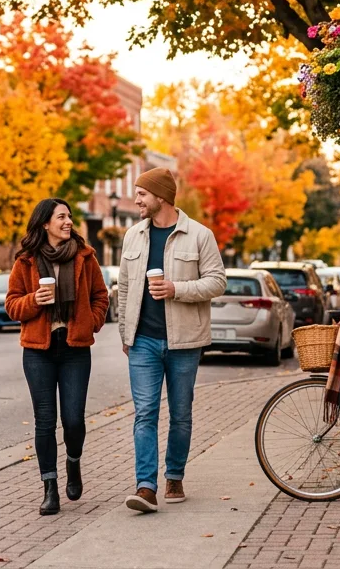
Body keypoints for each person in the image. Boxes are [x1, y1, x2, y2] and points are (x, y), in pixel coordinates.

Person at [116, 168, 226, 514]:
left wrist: (176, 289)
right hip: (143, 341)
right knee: (144, 413)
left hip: (184, 342)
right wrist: (125, 333)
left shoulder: (199, 235)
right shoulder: (132, 236)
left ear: (161, 196)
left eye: (142, 194)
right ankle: (146, 487)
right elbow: (123, 288)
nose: (137, 200)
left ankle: (174, 475)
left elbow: (217, 282)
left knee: (180, 415)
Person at [4, 198, 109, 516]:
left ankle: (73, 462)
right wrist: (34, 300)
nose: (68, 222)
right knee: (45, 422)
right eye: (61, 217)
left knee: (74, 419)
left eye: (70, 217)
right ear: (45, 223)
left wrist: (91, 321)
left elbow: (100, 296)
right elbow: (12, 304)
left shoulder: (85, 257)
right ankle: (50, 488)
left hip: (75, 348)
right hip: (38, 351)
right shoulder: (26, 261)